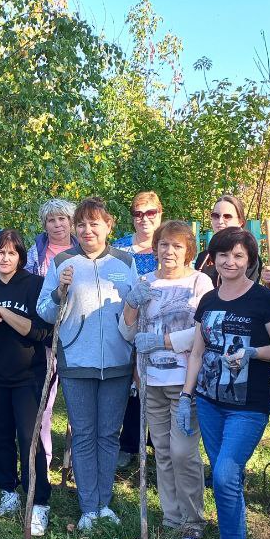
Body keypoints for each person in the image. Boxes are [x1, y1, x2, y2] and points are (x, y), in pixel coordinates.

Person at [180, 228, 270, 539]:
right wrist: (186, 395)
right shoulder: (208, 300)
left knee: (225, 474)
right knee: (228, 479)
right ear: (214, 258)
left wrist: (253, 352)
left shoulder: (264, 300)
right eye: (224, 255)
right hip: (209, 401)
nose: (230, 261)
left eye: (239, 256)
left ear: (249, 261)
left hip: (247, 404)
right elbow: (197, 351)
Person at [37, 197, 136, 531]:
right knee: (83, 433)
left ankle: (102, 503)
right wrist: (59, 291)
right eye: (81, 224)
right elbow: (45, 313)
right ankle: (87, 508)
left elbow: (135, 310)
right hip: (76, 361)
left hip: (119, 362)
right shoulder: (63, 262)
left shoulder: (125, 262)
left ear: (109, 225)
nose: (87, 230)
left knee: (108, 434)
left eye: (94, 223)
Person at [122, 221, 214, 539]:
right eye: (163, 244)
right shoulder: (144, 281)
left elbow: (204, 331)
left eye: (177, 245)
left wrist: (162, 341)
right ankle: (171, 516)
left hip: (185, 380)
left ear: (188, 249)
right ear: (155, 248)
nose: (169, 251)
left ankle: (194, 519)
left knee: (182, 451)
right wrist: (132, 302)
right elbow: (127, 332)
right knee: (161, 449)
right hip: (150, 379)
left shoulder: (199, 283)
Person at [0, 230, 52, 535]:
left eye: (11, 253)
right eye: (0, 253)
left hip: (28, 374)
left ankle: (39, 501)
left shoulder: (33, 286)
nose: (5, 258)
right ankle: (8, 490)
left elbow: (41, 332)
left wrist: (2, 312)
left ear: (20, 257)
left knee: (29, 438)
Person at [25, 198, 76, 464]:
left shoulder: (84, 250)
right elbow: (29, 291)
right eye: (51, 220)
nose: (57, 225)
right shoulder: (36, 253)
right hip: (45, 334)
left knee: (78, 403)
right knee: (44, 400)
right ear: (44, 224)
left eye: (62, 219)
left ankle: (76, 461)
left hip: (78, 334)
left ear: (71, 221)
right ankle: (42, 459)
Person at [114, 192, 162, 467]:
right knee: (131, 384)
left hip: (160, 326)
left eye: (150, 212)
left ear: (159, 214)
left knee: (157, 382)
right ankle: (129, 442)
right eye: (138, 213)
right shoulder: (121, 249)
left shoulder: (168, 244)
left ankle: (158, 444)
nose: (144, 219)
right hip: (129, 323)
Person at [193, 194, 259, 284]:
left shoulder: (247, 256)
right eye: (216, 215)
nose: (220, 221)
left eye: (227, 216)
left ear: (240, 222)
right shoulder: (203, 257)